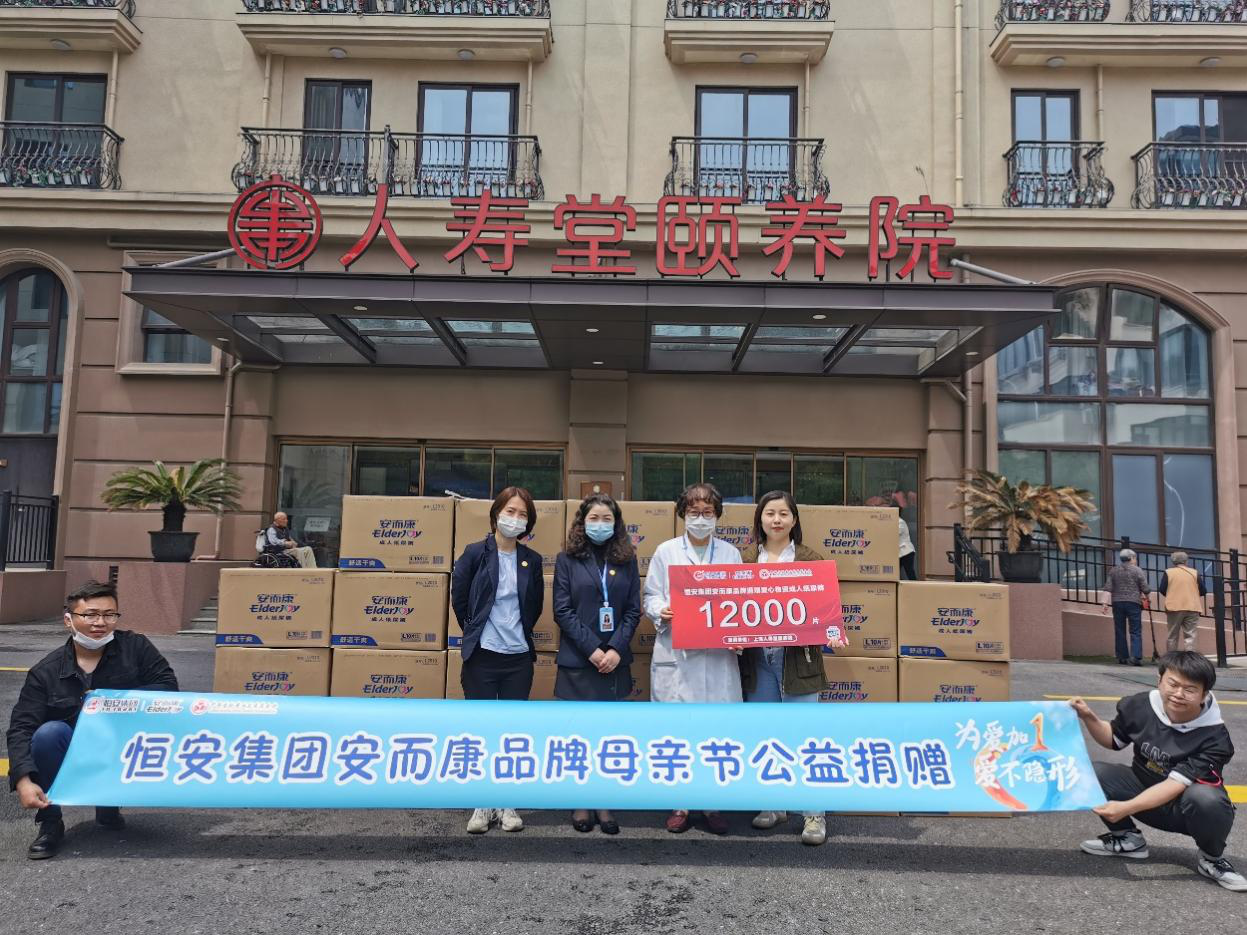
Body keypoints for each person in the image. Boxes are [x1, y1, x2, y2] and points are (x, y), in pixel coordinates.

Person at [6, 579, 178, 860]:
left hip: (124, 745)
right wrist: (23, 780)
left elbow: (168, 687)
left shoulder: (136, 648)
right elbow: (21, 728)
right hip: (75, 751)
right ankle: (50, 822)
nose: (100, 623)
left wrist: (112, 700)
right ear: (68, 620)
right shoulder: (45, 672)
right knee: (48, 734)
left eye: (109, 615)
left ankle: (108, 801)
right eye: (90, 615)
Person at [1069, 651, 1244, 892]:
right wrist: (1088, 717)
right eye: (1173, 683)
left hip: (1186, 812)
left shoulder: (1215, 738)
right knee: (1090, 773)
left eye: (1190, 689)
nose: (1178, 694)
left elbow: (1175, 784)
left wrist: (1125, 807)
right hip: (1144, 791)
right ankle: (1128, 839)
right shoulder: (1140, 705)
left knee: (1206, 798)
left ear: (1204, 694)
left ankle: (1211, 858)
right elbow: (1113, 740)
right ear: (1159, 680)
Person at [739, 491, 848, 847]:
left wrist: (834, 632)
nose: (776, 520)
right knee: (766, 736)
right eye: (770, 513)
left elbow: (826, 608)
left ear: (794, 520)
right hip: (758, 660)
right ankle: (773, 805)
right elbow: (732, 606)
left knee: (806, 736)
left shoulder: (810, 559)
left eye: (783, 514)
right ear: (759, 519)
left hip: (798, 660)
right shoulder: (745, 559)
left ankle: (814, 814)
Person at [644, 482, 743, 836]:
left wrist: (739, 634)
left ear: (717, 516)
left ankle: (712, 804)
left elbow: (740, 603)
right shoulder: (666, 551)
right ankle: (680, 804)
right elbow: (651, 595)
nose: (700, 519)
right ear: (683, 515)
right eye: (694, 512)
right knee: (678, 731)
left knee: (715, 732)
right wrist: (661, 610)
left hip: (717, 658)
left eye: (707, 512)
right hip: (677, 654)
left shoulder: (730, 554)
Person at [450, 486, 544, 836]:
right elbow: (459, 599)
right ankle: (482, 802)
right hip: (482, 656)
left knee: (511, 732)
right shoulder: (475, 553)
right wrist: (476, 632)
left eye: (522, 514)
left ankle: (506, 802)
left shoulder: (532, 560)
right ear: (496, 514)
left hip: (518, 658)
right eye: (510, 511)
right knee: (481, 729)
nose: (515, 519)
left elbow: (534, 606)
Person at [553, 494, 642, 835]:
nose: (600, 525)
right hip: (579, 660)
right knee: (579, 736)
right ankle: (580, 800)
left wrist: (615, 648)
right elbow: (562, 610)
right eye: (594, 518)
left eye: (607, 519)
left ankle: (604, 802)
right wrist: (592, 649)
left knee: (607, 736)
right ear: (582, 522)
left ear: (616, 524)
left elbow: (633, 610)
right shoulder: (566, 560)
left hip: (614, 662)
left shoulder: (627, 560)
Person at [1101, 548, 1149, 666]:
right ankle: (1135, 657)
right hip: (1133, 603)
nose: (1135, 560)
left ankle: (1122, 657)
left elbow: (1108, 588)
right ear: (1131, 558)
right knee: (1135, 630)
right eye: (1135, 558)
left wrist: (1105, 603)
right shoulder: (1137, 570)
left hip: (1117, 603)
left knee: (1119, 630)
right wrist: (1146, 594)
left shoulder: (1114, 570)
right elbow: (1145, 588)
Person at [1160, 551, 1207, 653]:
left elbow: (1162, 589)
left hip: (1174, 607)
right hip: (1192, 607)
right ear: (1186, 561)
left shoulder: (1168, 572)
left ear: (1173, 561)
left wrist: (1172, 594)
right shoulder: (1194, 573)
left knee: (1172, 635)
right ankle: (1190, 658)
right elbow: (1203, 591)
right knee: (1190, 635)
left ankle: (1171, 658)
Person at [898, 515, 917, 581]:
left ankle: (915, 586)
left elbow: (894, 533)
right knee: (895, 572)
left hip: (906, 551)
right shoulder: (896, 522)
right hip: (900, 552)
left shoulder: (900, 522)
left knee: (909, 571)